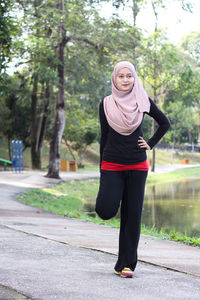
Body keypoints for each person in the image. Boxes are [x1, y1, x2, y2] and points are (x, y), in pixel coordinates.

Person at [95, 61, 170, 278]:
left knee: (132, 215)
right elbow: (104, 136)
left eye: (130, 76)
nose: (126, 80)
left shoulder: (142, 99)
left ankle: (126, 264)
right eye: (121, 76)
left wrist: (151, 143)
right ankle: (123, 260)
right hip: (111, 163)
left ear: (134, 78)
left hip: (137, 165)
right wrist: (102, 169)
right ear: (115, 79)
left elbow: (164, 123)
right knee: (105, 209)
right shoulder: (106, 103)